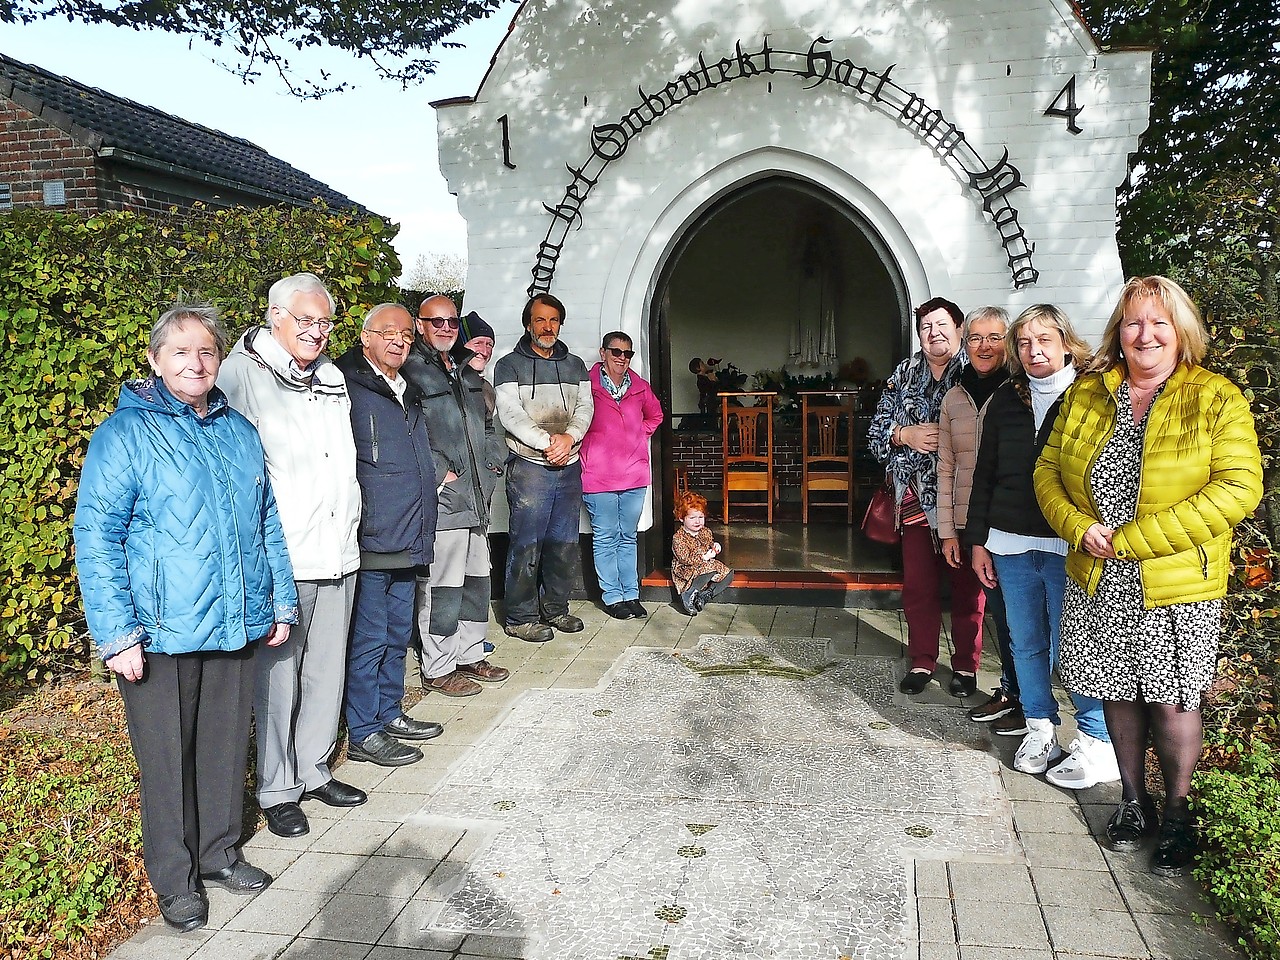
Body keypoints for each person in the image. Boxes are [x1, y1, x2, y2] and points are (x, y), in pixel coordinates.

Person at [74, 304, 297, 932]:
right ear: (154, 359)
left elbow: (264, 524)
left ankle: (220, 854)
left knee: (225, 748)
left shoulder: (238, 431)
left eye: (206, 350)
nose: (195, 362)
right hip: (160, 631)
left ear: (220, 358)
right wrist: (117, 635)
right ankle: (175, 879)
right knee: (168, 759)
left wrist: (279, 600)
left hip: (235, 621)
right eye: (180, 351)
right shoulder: (126, 435)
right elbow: (97, 538)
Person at [1035, 276, 1262, 875]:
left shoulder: (1216, 398)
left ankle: (1178, 815)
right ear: (1118, 332)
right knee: (1113, 693)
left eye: (1159, 322)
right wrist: (1077, 526)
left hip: (1177, 583)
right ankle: (1134, 803)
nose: (1146, 334)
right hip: (1097, 576)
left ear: (1181, 332)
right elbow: (1047, 472)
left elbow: (1237, 489)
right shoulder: (1088, 395)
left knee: (1173, 702)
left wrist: (1131, 542)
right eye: (1134, 322)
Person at [218, 272, 365, 838]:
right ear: (275, 316)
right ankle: (277, 788)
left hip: (337, 549)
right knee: (278, 680)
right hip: (283, 555)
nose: (317, 332)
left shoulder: (330, 377)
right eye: (305, 321)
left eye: (324, 322)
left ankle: (314, 767)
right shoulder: (242, 373)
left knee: (325, 672)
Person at [965, 305, 1118, 788]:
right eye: (1025, 343)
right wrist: (977, 541)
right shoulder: (1008, 401)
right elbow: (983, 473)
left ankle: (1096, 739)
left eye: (1044, 340)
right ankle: (1040, 728)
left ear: (1066, 343)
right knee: (1025, 641)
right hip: (1009, 539)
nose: (1034, 351)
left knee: (1077, 646)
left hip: (1070, 541)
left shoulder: (1093, 395)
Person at [334, 304, 444, 766]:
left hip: (411, 532)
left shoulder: (409, 390)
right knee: (371, 635)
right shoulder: (346, 387)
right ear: (365, 338)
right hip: (375, 535)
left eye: (404, 334)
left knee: (398, 632)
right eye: (387, 333)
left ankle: (389, 712)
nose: (399, 340)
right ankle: (363, 730)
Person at [868, 297, 986, 697]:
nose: (933, 333)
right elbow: (875, 432)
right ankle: (922, 660)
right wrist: (905, 435)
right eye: (925, 327)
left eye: (941, 325)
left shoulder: (976, 372)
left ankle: (966, 668)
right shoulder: (904, 373)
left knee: (967, 587)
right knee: (919, 586)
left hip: (964, 501)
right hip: (916, 501)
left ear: (958, 328)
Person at [404, 296, 509, 696]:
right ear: (420, 324)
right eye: (437, 322)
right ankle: (439, 666)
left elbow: (486, 426)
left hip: (477, 499)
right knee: (442, 588)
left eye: (451, 321)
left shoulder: (464, 370)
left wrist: (493, 463)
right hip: (445, 500)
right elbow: (407, 430)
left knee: (476, 582)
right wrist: (438, 473)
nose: (445, 328)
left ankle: (469, 653)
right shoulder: (413, 371)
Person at [936, 306, 1023, 734]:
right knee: (1001, 614)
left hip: (1013, 520)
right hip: (973, 522)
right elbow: (947, 466)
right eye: (975, 338)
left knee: (1022, 617)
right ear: (964, 344)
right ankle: (1011, 692)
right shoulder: (954, 396)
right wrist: (948, 530)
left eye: (995, 337)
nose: (985, 346)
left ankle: (1029, 701)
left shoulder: (1021, 390)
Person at [493, 293, 594, 641]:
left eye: (553, 320)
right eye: (540, 320)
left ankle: (556, 610)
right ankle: (520, 617)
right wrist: (547, 443)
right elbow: (510, 414)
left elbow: (585, 408)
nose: (548, 326)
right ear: (528, 324)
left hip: (569, 466)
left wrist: (569, 438)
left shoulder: (576, 365)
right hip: (529, 467)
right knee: (526, 543)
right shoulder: (508, 365)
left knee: (563, 543)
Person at [580, 332, 665, 619]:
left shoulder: (639, 387)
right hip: (598, 476)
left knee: (627, 537)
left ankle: (631, 593)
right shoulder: (586, 385)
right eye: (616, 352)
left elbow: (656, 415)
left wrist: (638, 436)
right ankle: (613, 597)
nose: (621, 358)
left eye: (627, 353)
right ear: (602, 352)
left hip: (634, 476)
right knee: (605, 538)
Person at [671, 490, 735, 614]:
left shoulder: (705, 531)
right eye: (692, 518)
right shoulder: (678, 537)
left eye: (701, 517)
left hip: (706, 566)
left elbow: (710, 542)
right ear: (681, 518)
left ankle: (705, 595)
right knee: (710, 566)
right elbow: (685, 558)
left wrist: (715, 545)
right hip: (686, 569)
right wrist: (704, 557)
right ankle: (688, 594)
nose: (697, 521)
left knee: (728, 573)